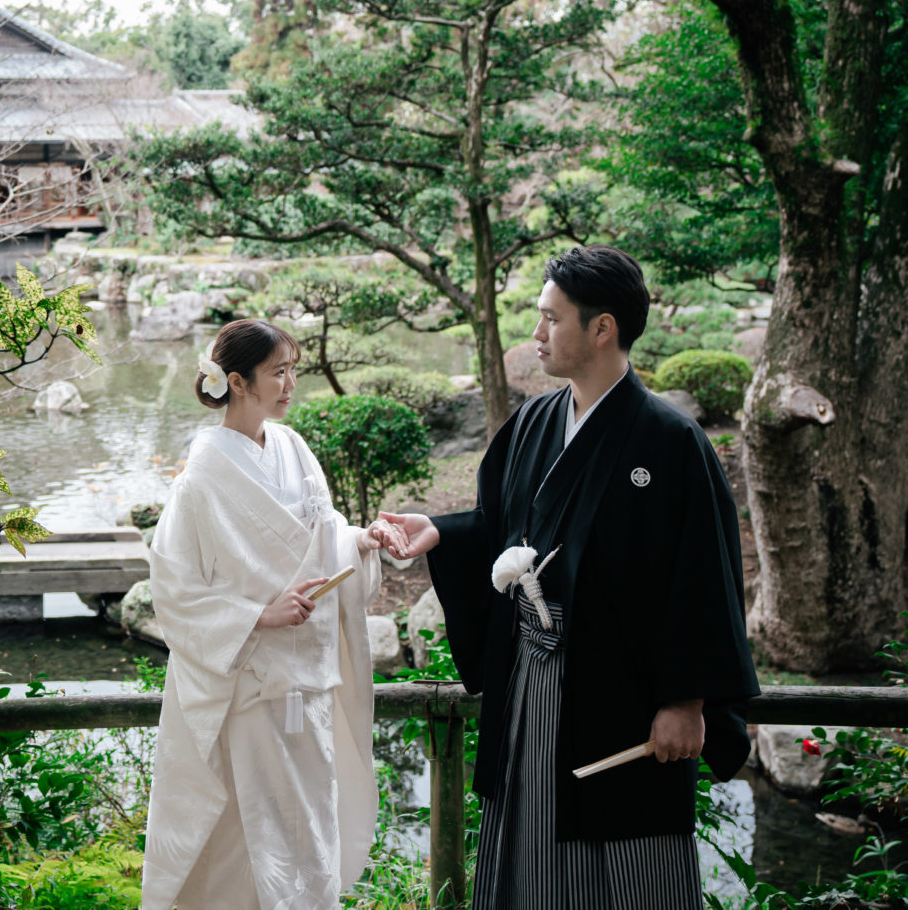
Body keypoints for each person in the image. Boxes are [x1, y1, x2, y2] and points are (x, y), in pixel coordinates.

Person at [379, 246, 759, 909]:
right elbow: (503, 524)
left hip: (627, 696)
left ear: (602, 327)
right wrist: (443, 531)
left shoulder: (670, 440)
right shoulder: (534, 422)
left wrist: (687, 701)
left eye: (550, 318)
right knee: (530, 845)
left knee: (631, 858)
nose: (537, 334)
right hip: (534, 680)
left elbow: (704, 574)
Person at [141, 319, 402, 910]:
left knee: (310, 831)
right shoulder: (200, 480)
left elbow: (323, 535)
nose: (290, 385)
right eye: (277, 373)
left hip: (308, 681)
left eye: (292, 371)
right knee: (247, 835)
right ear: (236, 382)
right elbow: (174, 589)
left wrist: (360, 542)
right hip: (252, 686)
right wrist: (258, 613)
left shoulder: (292, 447)